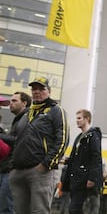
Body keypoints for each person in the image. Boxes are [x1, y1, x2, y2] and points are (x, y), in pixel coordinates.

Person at [9, 77, 69, 214]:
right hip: (18, 171)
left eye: (41, 89)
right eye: (34, 89)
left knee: (39, 211)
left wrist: (46, 164)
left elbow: (63, 140)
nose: (37, 91)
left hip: (40, 171)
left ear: (49, 91)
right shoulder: (27, 113)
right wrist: (12, 166)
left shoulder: (56, 110)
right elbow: (15, 140)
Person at [62, 109, 103, 214]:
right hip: (76, 179)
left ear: (87, 119)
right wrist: (68, 160)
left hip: (84, 179)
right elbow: (79, 158)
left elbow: (96, 157)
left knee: (75, 208)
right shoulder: (79, 137)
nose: (77, 121)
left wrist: (92, 178)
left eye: (79, 118)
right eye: (77, 118)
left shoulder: (92, 136)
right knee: (75, 208)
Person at [0, 92, 31, 214]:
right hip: (5, 168)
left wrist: (1, 136)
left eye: (14, 101)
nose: (10, 104)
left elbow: (20, 140)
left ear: (24, 103)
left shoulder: (26, 118)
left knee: (5, 207)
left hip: (11, 169)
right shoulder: (18, 119)